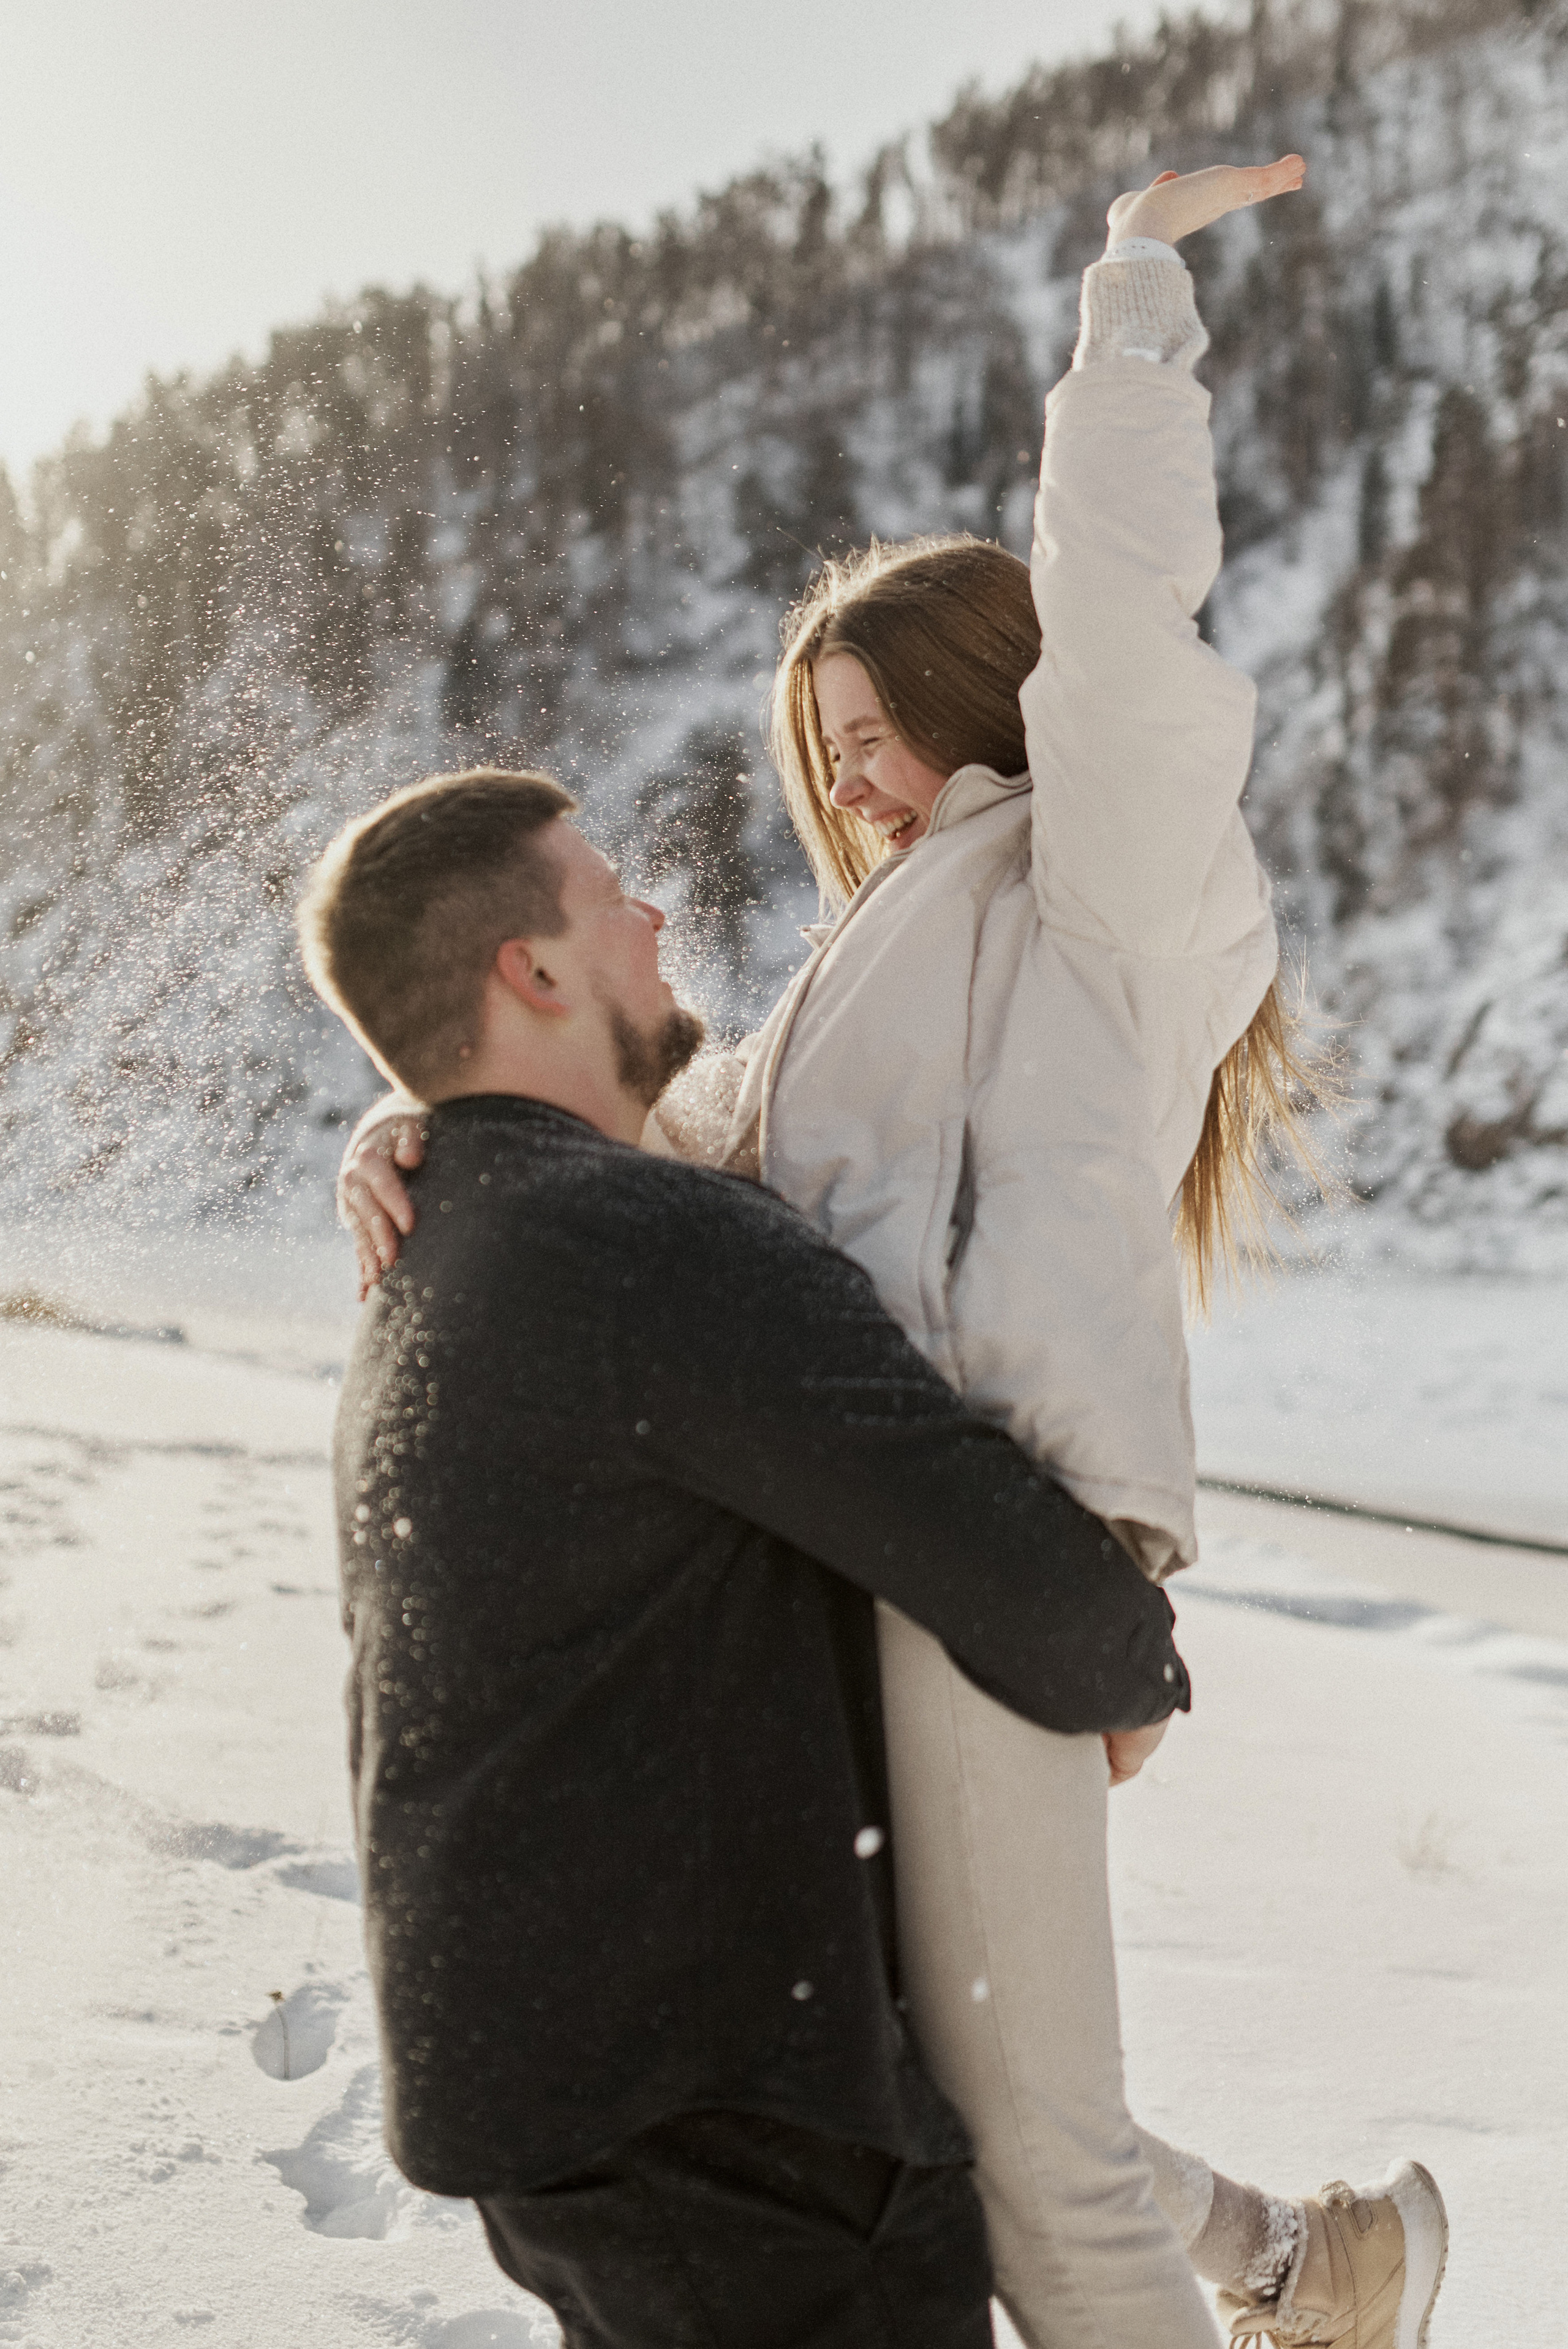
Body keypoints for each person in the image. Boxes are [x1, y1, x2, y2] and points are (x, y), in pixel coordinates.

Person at [339, 167, 1449, 2349]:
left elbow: (1122, 625)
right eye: (823, 755)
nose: (849, 787)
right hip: (874, 1540)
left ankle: (1307, 2278)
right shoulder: (866, 972)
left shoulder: (1100, 885)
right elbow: (669, 1146)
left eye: (877, 735)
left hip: (996, 1534)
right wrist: (422, 1124)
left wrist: (1131, 303)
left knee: (1043, 2183)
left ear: (983, 696)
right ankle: (1319, 2266)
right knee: (941, 2089)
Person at [298, 766, 1196, 2349]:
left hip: (550, 2101)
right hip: (727, 2125)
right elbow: (996, 1556)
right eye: (608, 897)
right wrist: (1131, 1665)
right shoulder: (648, 1248)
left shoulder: (456, 1238)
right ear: (535, 970)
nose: (654, 917)